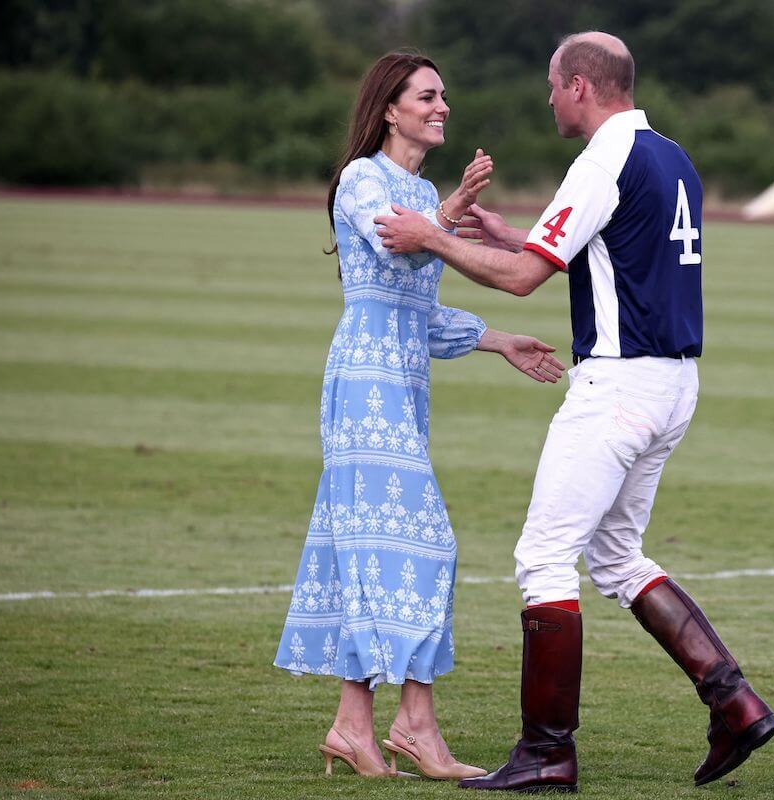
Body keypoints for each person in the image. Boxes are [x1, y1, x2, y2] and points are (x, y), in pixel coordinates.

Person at [374, 32, 774, 792]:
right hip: (674, 384)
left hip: (619, 388)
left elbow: (525, 279)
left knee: (543, 559)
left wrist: (431, 236)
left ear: (583, 87)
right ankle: (736, 704)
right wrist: (504, 234)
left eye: (553, 85)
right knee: (617, 558)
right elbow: (611, 258)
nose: (549, 97)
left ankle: (546, 752)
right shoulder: (670, 154)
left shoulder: (601, 160)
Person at [272, 51, 566, 782]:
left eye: (444, 97)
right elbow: (397, 249)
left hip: (401, 384)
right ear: (390, 108)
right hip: (364, 385)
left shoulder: (422, 188)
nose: (442, 107)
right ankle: (415, 729)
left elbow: (422, 311)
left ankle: (354, 729)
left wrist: (500, 342)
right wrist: (453, 211)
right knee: (425, 545)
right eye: (427, 96)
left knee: (367, 554)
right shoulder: (363, 178)